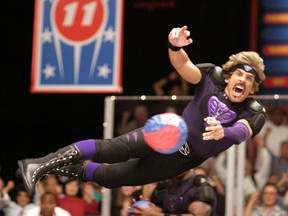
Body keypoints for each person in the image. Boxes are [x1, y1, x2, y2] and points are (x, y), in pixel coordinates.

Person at [17, 25, 266, 197]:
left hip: (184, 159)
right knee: (111, 149)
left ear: (253, 88)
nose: (242, 80)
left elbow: (242, 133)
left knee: (111, 177)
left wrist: (224, 133)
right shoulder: (213, 76)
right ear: (230, 76)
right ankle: (40, 163)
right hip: (168, 132)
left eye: (249, 79)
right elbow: (182, 65)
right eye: (239, 74)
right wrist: (174, 46)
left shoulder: (253, 112)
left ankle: (40, 167)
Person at [130, 169, 216, 216]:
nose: (177, 165)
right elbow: (155, 211)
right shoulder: (164, 186)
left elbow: (198, 214)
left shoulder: (200, 186)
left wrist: (156, 214)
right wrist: (142, 209)